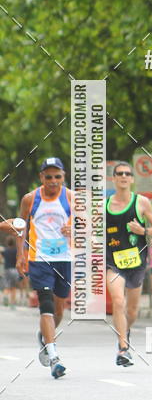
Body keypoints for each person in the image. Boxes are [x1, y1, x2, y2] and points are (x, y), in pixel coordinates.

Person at [16, 158, 72, 379]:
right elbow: (21, 227)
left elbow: (86, 224)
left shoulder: (70, 198)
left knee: (59, 311)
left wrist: (74, 229)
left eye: (57, 176)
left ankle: (44, 336)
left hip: (65, 259)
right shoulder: (30, 199)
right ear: (41, 177)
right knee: (46, 305)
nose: (53, 181)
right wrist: (21, 255)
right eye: (48, 177)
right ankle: (54, 356)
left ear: (63, 176)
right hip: (39, 259)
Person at [106, 162, 152, 366]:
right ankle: (122, 348)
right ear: (113, 178)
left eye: (127, 174)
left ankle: (124, 333)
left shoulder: (142, 203)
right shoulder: (104, 206)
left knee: (131, 311)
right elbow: (92, 231)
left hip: (136, 263)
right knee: (118, 302)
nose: (123, 176)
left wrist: (143, 232)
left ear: (132, 179)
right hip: (112, 262)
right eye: (119, 173)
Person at [2, 235, 20, 307]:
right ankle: (12, 303)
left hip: (7, 269)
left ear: (7, 243)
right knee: (13, 287)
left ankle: (6, 296)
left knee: (7, 286)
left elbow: (1, 259)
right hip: (15, 270)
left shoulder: (5, 251)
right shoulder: (16, 251)